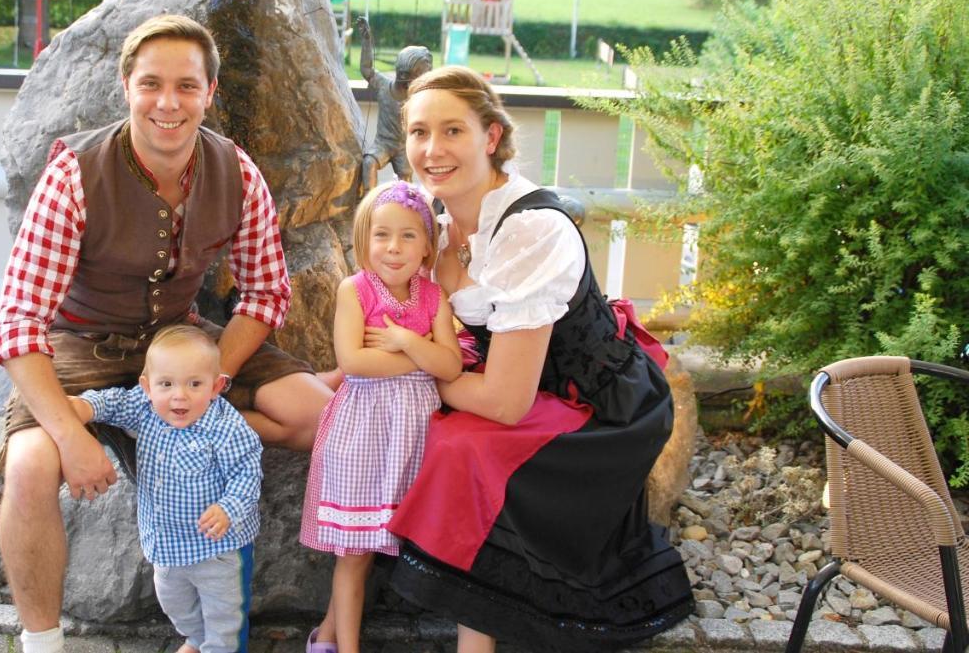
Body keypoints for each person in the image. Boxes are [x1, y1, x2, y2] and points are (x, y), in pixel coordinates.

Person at [0, 14, 334, 653]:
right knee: (33, 464)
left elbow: (266, 294)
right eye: (151, 84)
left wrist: (214, 382)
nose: (168, 103)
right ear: (127, 86)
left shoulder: (237, 171)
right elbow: (16, 321)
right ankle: (42, 644)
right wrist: (69, 434)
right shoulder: (74, 173)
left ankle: (165, 428)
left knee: (319, 415)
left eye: (185, 85)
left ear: (209, 91)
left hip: (181, 343)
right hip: (82, 347)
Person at [384, 66, 693, 652]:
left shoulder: (532, 230)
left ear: (491, 137)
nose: (432, 149)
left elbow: (504, 401)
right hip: (530, 387)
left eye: (452, 131)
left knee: (462, 445)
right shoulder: (440, 220)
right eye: (419, 133)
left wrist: (425, 374)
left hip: (601, 409)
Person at [300, 180, 461, 653]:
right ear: (363, 240)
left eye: (409, 236)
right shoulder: (356, 290)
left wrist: (407, 341)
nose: (394, 248)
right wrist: (423, 358)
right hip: (364, 434)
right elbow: (354, 362)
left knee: (379, 547)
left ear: (428, 245)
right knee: (355, 553)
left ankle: (325, 636)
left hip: (412, 438)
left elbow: (450, 365)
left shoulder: (433, 298)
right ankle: (342, 647)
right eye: (382, 235)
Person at [68, 325, 262, 653]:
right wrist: (88, 407)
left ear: (215, 387)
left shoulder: (225, 428)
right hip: (167, 546)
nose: (179, 395)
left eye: (194, 384)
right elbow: (113, 403)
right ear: (147, 387)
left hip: (218, 550)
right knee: (175, 603)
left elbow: (247, 473)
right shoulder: (146, 408)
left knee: (225, 616)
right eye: (167, 384)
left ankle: (218, 646)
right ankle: (197, 639)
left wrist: (228, 508)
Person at [354, 16, 432, 194]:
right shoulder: (383, 86)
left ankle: (408, 207)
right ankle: (369, 202)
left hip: (404, 146)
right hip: (383, 143)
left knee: (406, 182)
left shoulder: (419, 96)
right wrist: (366, 41)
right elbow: (367, 70)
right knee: (369, 163)